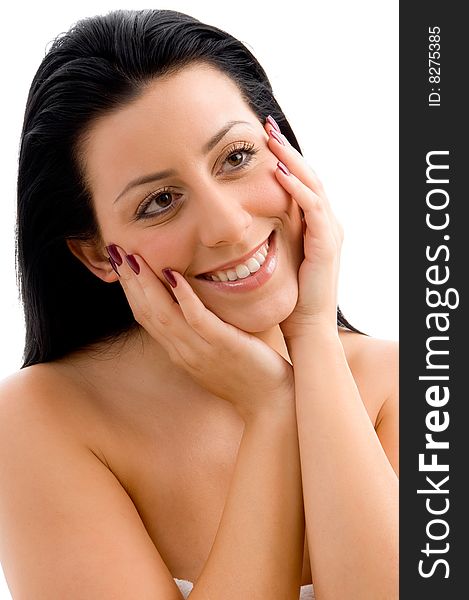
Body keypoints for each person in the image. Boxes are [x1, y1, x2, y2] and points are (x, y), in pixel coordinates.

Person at [0, 9, 398, 599]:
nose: (229, 227)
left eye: (236, 157)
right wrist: (270, 409)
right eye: (160, 200)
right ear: (100, 256)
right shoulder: (43, 419)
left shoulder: (401, 379)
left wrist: (312, 333)